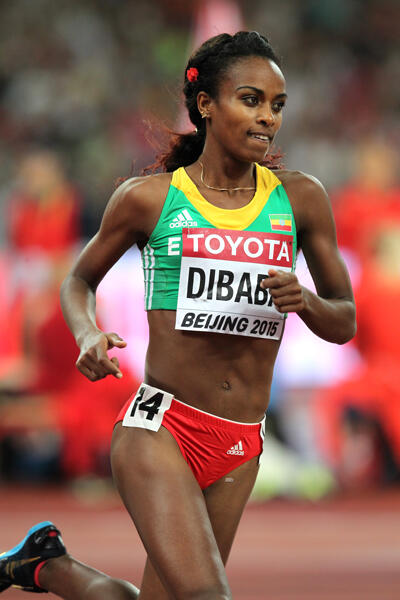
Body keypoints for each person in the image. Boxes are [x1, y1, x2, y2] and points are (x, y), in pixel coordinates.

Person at [0, 31, 356, 599]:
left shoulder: (301, 198)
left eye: (277, 104)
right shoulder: (148, 198)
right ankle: (46, 565)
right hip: (162, 428)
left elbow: (344, 321)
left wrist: (307, 302)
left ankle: (46, 566)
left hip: (241, 441)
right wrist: (88, 333)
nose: (268, 117)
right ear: (206, 105)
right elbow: (78, 280)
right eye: (251, 100)